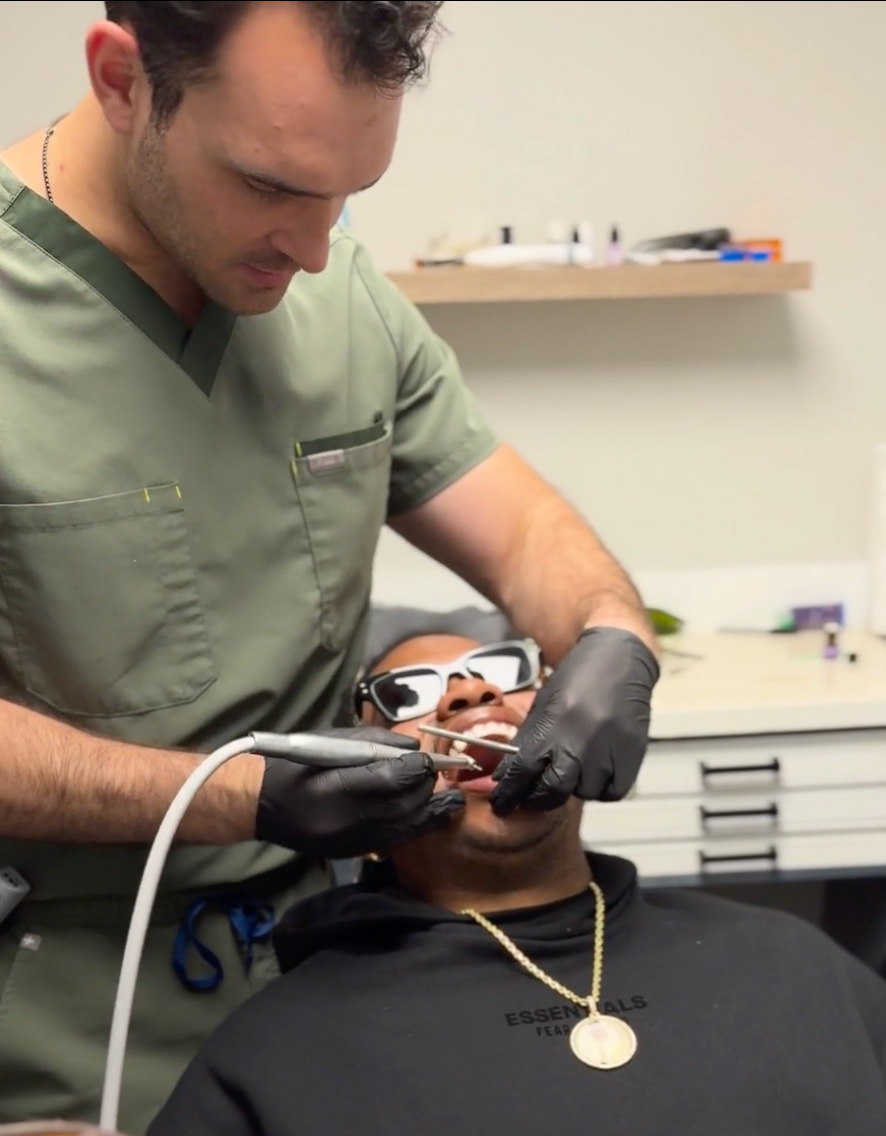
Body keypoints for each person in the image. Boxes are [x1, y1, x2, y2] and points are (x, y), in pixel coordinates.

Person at [0, 2, 659, 1129]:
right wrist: (239, 796)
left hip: (334, 985)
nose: (313, 248)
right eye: (267, 184)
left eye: (346, 192)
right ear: (122, 81)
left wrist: (610, 635)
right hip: (70, 1023)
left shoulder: (335, 293)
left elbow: (525, 532)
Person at [149, 627, 886, 1136]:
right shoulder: (277, 1056)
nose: (466, 698)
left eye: (502, 675)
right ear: (351, 777)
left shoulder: (794, 966)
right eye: (410, 696)